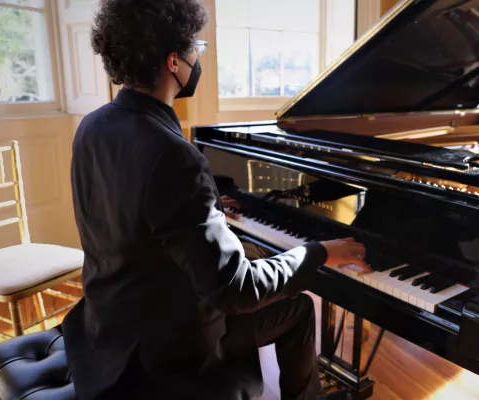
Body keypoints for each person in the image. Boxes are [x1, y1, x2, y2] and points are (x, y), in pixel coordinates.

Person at [61, 1, 368, 399]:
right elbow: (236, 290)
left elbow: (133, 218)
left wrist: (208, 212)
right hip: (162, 353)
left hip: (107, 327)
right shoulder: (171, 153)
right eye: (195, 50)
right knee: (299, 308)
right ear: (174, 61)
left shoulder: (94, 125)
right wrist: (318, 252)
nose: (197, 58)